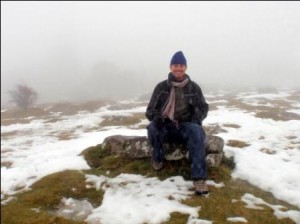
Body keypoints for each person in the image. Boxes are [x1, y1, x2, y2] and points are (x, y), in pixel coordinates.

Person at [145, 51, 209, 195]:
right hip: (165, 125)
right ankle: (158, 158)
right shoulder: (161, 87)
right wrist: (157, 117)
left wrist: (195, 119)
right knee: (152, 128)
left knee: (197, 131)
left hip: (185, 126)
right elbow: (150, 110)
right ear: (170, 67)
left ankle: (199, 178)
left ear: (185, 67)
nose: (178, 69)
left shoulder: (194, 88)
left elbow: (204, 108)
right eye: (175, 65)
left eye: (181, 65)